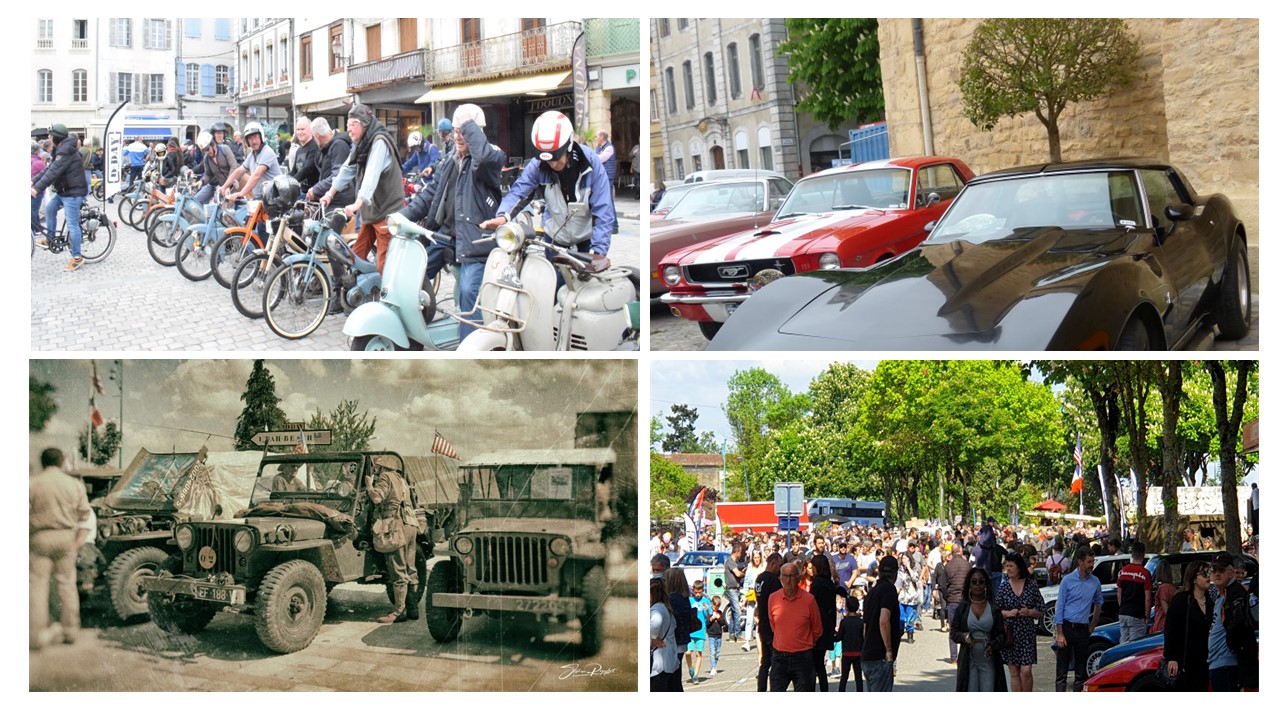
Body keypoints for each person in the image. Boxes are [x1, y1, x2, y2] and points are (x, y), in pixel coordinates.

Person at [481, 111, 616, 271]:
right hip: (555, 237)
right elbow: (519, 192)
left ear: (568, 146)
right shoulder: (537, 165)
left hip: (585, 238)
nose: (552, 164)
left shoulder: (591, 164)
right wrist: (503, 216)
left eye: (556, 158)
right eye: (547, 159)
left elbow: (603, 211)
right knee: (554, 286)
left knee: (585, 289)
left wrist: (598, 252)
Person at [319, 105, 405, 277]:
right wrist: (329, 193)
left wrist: (357, 204)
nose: (348, 129)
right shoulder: (361, 144)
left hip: (387, 212)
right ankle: (361, 294)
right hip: (372, 211)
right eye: (348, 124)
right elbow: (347, 169)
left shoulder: (379, 142)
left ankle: (388, 300)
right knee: (356, 257)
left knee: (383, 265)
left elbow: (371, 176)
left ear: (361, 124)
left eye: (351, 124)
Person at [30, 447, 92, 650]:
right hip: (66, 536)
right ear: (61, 461)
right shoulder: (73, 484)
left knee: (38, 586)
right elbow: (84, 514)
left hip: (40, 537)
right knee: (66, 584)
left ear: (42, 461)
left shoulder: (33, 483)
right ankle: (70, 631)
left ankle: (35, 635)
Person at [364, 456, 419, 623]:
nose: (374, 470)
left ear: (381, 468)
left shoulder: (385, 477)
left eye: (376, 467)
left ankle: (399, 612)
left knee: (398, 571)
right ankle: (413, 609)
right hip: (410, 525)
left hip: (395, 527)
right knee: (411, 569)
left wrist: (368, 484)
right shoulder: (400, 479)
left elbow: (377, 498)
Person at [32, 123, 89, 271]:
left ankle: (77, 257)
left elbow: (53, 173)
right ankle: (51, 238)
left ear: (55, 137)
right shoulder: (62, 149)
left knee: (72, 224)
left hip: (73, 193)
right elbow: (49, 168)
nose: (49, 138)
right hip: (65, 191)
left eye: (50, 136)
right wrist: (33, 181)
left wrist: (37, 189)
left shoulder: (66, 151)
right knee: (50, 208)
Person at [1053, 545, 1103, 692]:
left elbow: (1099, 603)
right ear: (1080, 562)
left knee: (1081, 670)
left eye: (1092, 561)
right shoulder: (1068, 581)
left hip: (1083, 628)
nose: (1091, 565)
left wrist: (1093, 624)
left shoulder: (1095, 582)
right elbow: (1060, 606)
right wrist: (1060, 633)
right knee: (1062, 669)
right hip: (1068, 627)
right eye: (1089, 562)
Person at [950, 567, 1008, 691]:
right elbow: (954, 632)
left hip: (988, 658)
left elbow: (1001, 635)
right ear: (969, 585)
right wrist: (964, 637)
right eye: (974, 581)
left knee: (989, 689)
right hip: (968, 658)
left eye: (981, 582)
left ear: (986, 584)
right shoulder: (963, 609)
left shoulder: (993, 609)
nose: (978, 585)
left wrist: (993, 645)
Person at [768, 561, 822, 691]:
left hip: (803, 658)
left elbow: (817, 629)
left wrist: (803, 643)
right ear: (780, 578)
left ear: (798, 578)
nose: (788, 580)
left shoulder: (809, 600)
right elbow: (773, 625)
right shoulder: (773, 598)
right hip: (779, 657)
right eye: (785, 576)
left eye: (792, 576)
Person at [1208, 553, 1258, 691]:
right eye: (1214, 570)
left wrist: (1231, 643)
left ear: (1230, 573)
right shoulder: (1221, 595)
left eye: (1221, 570)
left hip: (1228, 664)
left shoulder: (1236, 593)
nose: (1217, 574)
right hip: (1218, 663)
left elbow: (1238, 624)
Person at [994, 553, 1043, 691]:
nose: (1008, 569)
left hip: (1027, 634)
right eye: (1006, 566)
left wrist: (1029, 612)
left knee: (1026, 671)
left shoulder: (1031, 585)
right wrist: (1008, 613)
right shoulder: (1004, 587)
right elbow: (996, 611)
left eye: (1011, 566)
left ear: (1019, 567)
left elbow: (1041, 608)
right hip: (1010, 634)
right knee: (1014, 673)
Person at [1163, 560, 1212, 691]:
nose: (1209, 576)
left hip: (1205, 660)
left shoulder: (1211, 601)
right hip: (1185, 661)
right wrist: (1171, 658)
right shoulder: (1181, 600)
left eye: (1209, 572)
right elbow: (1170, 630)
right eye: (1204, 573)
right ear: (1194, 578)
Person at [862, 554, 902, 692]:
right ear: (895, 573)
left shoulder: (872, 592)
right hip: (880, 654)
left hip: (868, 653)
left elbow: (865, 626)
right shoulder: (889, 590)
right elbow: (884, 620)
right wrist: (889, 650)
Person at [808, 553, 843, 692]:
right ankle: (824, 690)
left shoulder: (817, 584)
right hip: (827, 626)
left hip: (817, 626)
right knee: (820, 663)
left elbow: (812, 605)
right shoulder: (829, 583)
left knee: (813, 664)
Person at [221, 121, 281, 203]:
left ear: (261, 137)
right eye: (250, 138)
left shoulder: (267, 152)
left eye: (256, 137)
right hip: (261, 198)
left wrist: (241, 193)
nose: (254, 141)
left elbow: (257, 175)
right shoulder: (252, 155)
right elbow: (239, 171)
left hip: (273, 198)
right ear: (247, 141)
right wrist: (224, 187)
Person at [754, 552, 783, 691]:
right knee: (775, 661)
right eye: (779, 565)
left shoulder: (759, 579)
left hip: (763, 623)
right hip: (772, 625)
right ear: (773, 563)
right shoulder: (773, 580)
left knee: (765, 662)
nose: (780, 569)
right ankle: (774, 688)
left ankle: (761, 688)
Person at [1116, 540, 1153, 644]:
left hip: (1123, 612)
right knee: (1135, 646)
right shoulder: (1145, 573)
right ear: (1143, 555)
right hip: (1137, 614)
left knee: (1123, 644)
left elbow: (1119, 594)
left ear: (1132, 554)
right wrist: (1147, 615)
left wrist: (1122, 607)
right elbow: (1148, 598)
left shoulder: (1122, 571)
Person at [663, 568, 693, 691]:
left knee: (672, 678)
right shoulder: (684, 598)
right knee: (676, 675)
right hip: (682, 641)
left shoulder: (673, 599)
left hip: (674, 641)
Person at [188, 131, 236, 205]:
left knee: (226, 209)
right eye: (204, 151)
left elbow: (233, 166)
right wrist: (202, 181)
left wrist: (227, 185)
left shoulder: (225, 149)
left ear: (213, 144)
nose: (207, 152)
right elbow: (208, 175)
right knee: (196, 201)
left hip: (233, 185)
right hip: (219, 186)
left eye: (207, 149)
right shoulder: (206, 158)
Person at [939, 543, 969, 659]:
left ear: (952, 552)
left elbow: (942, 585)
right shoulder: (968, 565)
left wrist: (948, 597)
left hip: (952, 600)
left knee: (953, 628)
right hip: (965, 600)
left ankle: (954, 657)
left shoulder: (948, 566)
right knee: (966, 627)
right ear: (961, 551)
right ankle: (965, 654)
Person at [650, 578, 681, 691]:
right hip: (668, 661)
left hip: (658, 665)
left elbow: (655, 623)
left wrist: (652, 639)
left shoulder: (656, 609)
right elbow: (673, 626)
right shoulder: (666, 608)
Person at [837, 597, 865, 692]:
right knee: (858, 677)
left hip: (846, 652)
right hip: (858, 652)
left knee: (844, 677)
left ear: (847, 607)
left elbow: (839, 637)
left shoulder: (844, 622)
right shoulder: (861, 622)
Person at [289, 116, 322, 196]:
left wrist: (289, 182)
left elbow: (307, 169)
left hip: (314, 194)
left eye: (303, 129)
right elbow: (294, 171)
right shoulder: (299, 150)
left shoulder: (314, 147)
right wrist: (281, 180)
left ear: (310, 130)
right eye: (298, 130)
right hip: (302, 191)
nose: (300, 132)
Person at [594, 130, 619, 234]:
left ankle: (614, 225)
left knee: (609, 201)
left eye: (597, 136)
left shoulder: (609, 147)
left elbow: (599, 159)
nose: (595, 138)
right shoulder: (599, 148)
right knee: (602, 201)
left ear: (602, 137)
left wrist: (594, 156)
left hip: (607, 177)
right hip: (600, 177)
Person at [686, 579, 710, 683]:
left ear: (702, 591)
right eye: (696, 592)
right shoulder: (690, 600)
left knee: (698, 654)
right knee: (687, 652)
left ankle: (695, 675)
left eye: (699, 592)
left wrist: (707, 610)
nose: (698, 595)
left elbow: (708, 617)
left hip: (700, 631)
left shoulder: (706, 601)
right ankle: (690, 668)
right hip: (690, 630)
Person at [721, 542, 745, 642]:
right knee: (738, 611)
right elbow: (738, 573)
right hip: (732, 590)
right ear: (737, 551)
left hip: (735, 589)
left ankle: (731, 634)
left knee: (734, 612)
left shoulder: (733, 562)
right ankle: (738, 634)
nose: (741, 554)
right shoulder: (730, 561)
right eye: (740, 552)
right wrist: (744, 573)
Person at [742, 549, 764, 651]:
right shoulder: (749, 570)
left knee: (759, 620)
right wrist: (744, 598)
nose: (757, 560)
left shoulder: (763, 569)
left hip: (761, 596)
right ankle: (747, 641)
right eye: (755, 558)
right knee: (749, 619)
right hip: (751, 596)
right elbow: (746, 584)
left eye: (758, 558)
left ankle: (760, 639)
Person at [705, 595, 726, 677]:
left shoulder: (720, 613)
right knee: (712, 652)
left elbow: (723, 623)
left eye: (717, 606)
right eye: (714, 606)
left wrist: (719, 618)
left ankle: (715, 666)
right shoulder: (709, 613)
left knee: (717, 653)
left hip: (719, 635)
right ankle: (713, 667)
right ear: (711, 604)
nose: (715, 608)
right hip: (711, 635)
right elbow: (707, 624)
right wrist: (711, 619)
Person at [31, 142, 47, 236]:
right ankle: (36, 229)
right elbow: (46, 175)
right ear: (38, 152)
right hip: (36, 189)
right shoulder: (39, 163)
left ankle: (36, 228)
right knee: (34, 210)